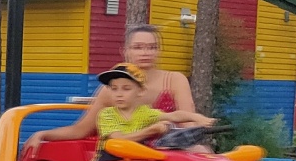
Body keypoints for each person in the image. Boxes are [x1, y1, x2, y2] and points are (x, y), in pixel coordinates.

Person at [27, 24, 210, 150]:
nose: (145, 53)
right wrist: (44, 134)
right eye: (138, 47)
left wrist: (197, 132)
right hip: (126, 153)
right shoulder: (112, 88)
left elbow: (188, 123)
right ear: (126, 51)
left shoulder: (175, 80)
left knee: (201, 151)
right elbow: (81, 129)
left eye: (152, 47)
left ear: (158, 51)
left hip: (170, 149)